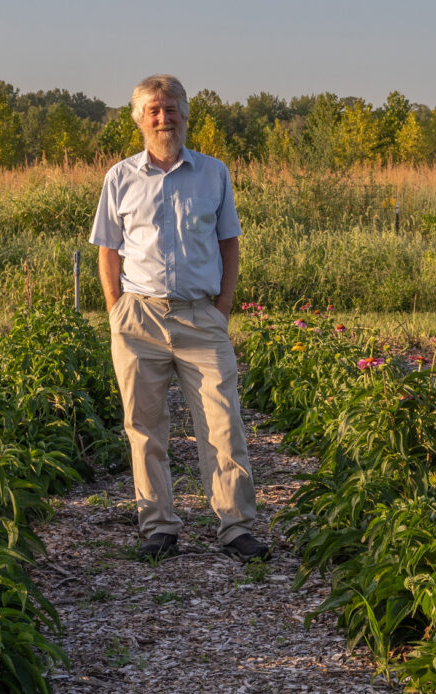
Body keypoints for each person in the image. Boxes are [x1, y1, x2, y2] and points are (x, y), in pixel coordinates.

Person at [89, 74, 269, 563]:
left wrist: (222, 308)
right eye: (154, 111)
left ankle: (235, 526)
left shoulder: (214, 174)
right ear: (140, 120)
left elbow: (229, 243)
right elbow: (107, 249)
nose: (164, 118)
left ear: (186, 117)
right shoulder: (120, 177)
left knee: (222, 423)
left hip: (199, 317)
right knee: (144, 425)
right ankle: (159, 526)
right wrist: (115, 308)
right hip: (138, 319)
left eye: (171, 110)